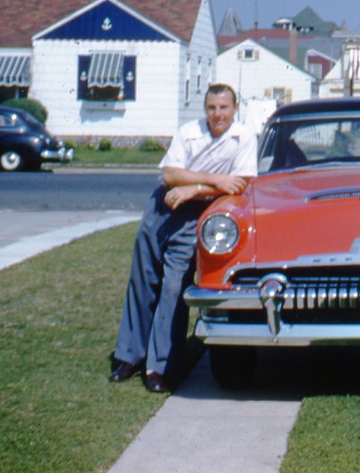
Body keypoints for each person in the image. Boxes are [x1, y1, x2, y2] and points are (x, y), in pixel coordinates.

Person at [109, 84, 257, 393]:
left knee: (174, 287)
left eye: (224, 108)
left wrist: (194, 189)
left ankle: (159, 367)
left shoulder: (243, 137)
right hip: (163, 207)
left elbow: (240, 184)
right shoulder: (189, 132)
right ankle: (129, 357)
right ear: (205, 109)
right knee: (143, 278)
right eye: (212, 108)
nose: (218, 114)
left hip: (197, 214)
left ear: (235, 108)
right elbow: (170, 176)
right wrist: (213, 179)